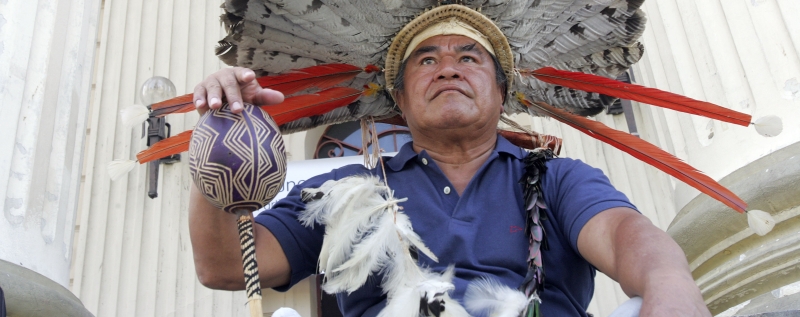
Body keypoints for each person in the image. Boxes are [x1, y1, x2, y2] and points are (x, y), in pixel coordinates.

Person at [188, 24, 712, 317]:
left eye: (469, 56)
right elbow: (225, 267)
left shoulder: (556, 179)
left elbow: (628, 239)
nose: (448, 67)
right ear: (399, 98)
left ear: (502, 91)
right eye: (425, 60)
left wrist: (670, 285)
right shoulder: (347, 191)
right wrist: (219, 140)